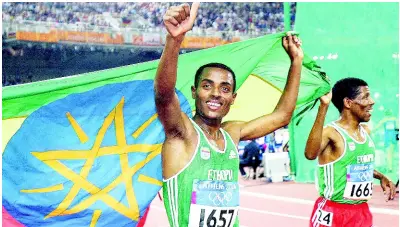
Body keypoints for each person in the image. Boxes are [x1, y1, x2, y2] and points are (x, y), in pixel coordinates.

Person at [155, 3, 303, 227]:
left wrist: (296, 62)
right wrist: (174, 40)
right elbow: (164, 95)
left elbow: (282, 116)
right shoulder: (182, 134)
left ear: (233, 98)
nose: (216, 94)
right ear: (194, 92)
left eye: (225, 89)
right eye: (207, 86)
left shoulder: (232, 133)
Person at [305, 78, 396, 227]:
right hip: (332, 211)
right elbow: (310, 154)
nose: (372, 102)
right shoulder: (331, 133)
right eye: (365, 97)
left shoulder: (366, 131)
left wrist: (381, 176)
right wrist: (324, 106)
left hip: (361, 212)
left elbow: (355, 166)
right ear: (348, 103)